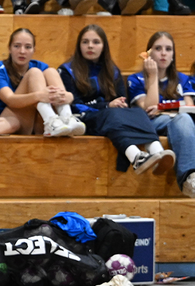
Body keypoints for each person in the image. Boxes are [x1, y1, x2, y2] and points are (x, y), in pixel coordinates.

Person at [59, 25, 176, 175]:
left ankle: (157, 152)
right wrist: (107, 105)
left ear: (103, 46)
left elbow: (122, 98)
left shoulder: (112, 70)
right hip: (83, 118)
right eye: (85, 42)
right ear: (79, 45)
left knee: (135, 112)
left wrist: (119, 103)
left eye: (96, 42)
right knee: (113, 115)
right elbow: (74, 104)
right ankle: (136, 156)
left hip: (109, 117)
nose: (90, 46)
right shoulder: (67, 70)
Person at [0, 27, 84, 135]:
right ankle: (50, 120)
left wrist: (68, 96)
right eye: (17, 46)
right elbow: (10, 99)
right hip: (9, 121)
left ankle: (66, 117)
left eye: (28, 47)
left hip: (37, 123)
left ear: (34, 50)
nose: (22, 51)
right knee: (34, 73)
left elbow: (65, 95)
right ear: (9, 48)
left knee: (51, 71)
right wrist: (38, 96)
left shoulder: (41, 66)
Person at [129, 31, 195, 196]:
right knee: (183, 119)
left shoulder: (183, 79)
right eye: (158, 48)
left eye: (168, 49)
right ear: (149, 54)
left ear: (173, 54)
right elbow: (148, 109)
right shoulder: (136, 79)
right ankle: (189, 175)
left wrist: (165, 108)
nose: (164, 53)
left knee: (183, 119)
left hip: (178, 121)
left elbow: (189, 106)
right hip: (150, 124)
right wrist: (153, 77)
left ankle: (190, 179)